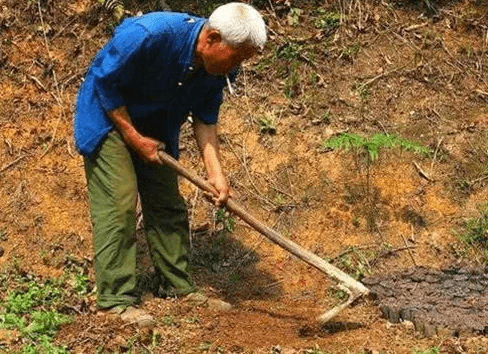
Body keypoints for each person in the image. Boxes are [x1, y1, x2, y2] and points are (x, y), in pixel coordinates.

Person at [74, 2, 267, 327]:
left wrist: (216, 174)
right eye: (236, 57)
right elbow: (105, 84)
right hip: (108, 118)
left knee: (167, 203)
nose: (238, 67)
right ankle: (115, 300)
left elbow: (205, 117)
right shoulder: (149, 34)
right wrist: (134, 138)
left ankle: (176, 286)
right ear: (212, 39)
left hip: (156, 125)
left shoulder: (219, 66)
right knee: (119, 202)